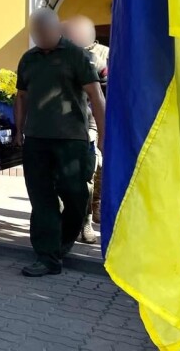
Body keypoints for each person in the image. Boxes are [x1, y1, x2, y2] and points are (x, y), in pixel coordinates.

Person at [14, 8, 105, 277]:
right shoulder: (28, 59)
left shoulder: (76, 56)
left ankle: (61, 241)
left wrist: (104, 136)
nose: (40, 37)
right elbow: (21, 97)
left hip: (71, 141)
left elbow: (96, 96)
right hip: (36, 140)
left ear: (57, 29)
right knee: (41, 198)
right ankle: (47, 256)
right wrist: (18, 130)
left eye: (45, 32)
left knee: (75, 197)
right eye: (36, 33)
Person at [64, 15, 109, 244]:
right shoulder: (59, 54)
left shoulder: (102, 55)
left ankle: (88, 219)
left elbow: (107, 91)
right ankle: (67, 221)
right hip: (65, 124)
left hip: (91, 122)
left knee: (92, 171)